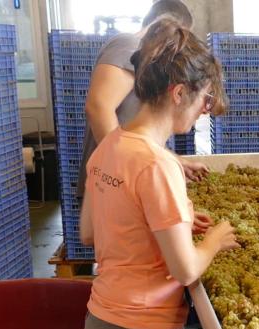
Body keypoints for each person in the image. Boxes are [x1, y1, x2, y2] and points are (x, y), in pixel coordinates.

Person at [79, 20, 238, 329]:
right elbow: (186, 269)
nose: (204, 109)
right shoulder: (159, 164)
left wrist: (173, 221)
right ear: (178, 93)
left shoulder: (110, 147)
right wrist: (215, 240)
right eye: (203, 98)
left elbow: (91, 232)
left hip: (105, 325)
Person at [77, 0, 208, 201]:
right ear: (168, 25)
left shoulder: (148, 63)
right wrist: (126, 172)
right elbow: (98, 108)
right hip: (111, 185)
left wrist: (175, 160)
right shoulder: (129, 45)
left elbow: (139, 136)